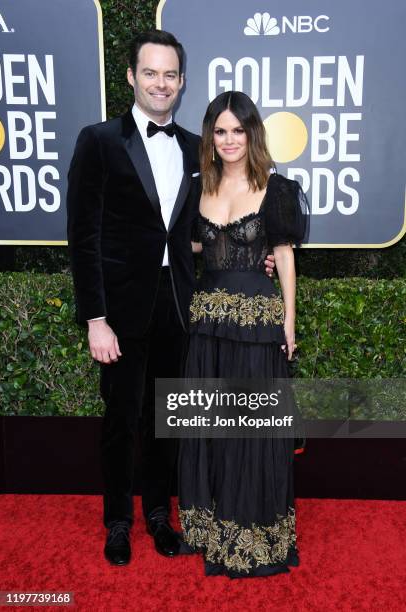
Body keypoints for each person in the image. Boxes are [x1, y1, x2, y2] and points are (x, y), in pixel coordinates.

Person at [67, 28, 277, 566]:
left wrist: (257, 256)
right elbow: (83, 236)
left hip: (181, 306)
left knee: (166, 419)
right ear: (132, 78)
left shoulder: (193, 148)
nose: (160, 83)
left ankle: (160, 517)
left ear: (182, 82)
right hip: (120, 308)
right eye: (150, 73)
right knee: (120, 418)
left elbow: (203, 229)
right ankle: (118, 522)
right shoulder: (98, 141)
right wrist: (95, 317)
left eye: (170, 75)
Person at [178, 91, 308, 578]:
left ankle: (254, 532)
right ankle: (209, 526)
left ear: (253, 134)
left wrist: (288, 324)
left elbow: (286, 256)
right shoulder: (198, 187)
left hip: (256, 328)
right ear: (210, 136)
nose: (229, 139)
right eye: (220, 130)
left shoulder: (276, 188)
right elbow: (192, 241)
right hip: (207, 327)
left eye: (238, 130)